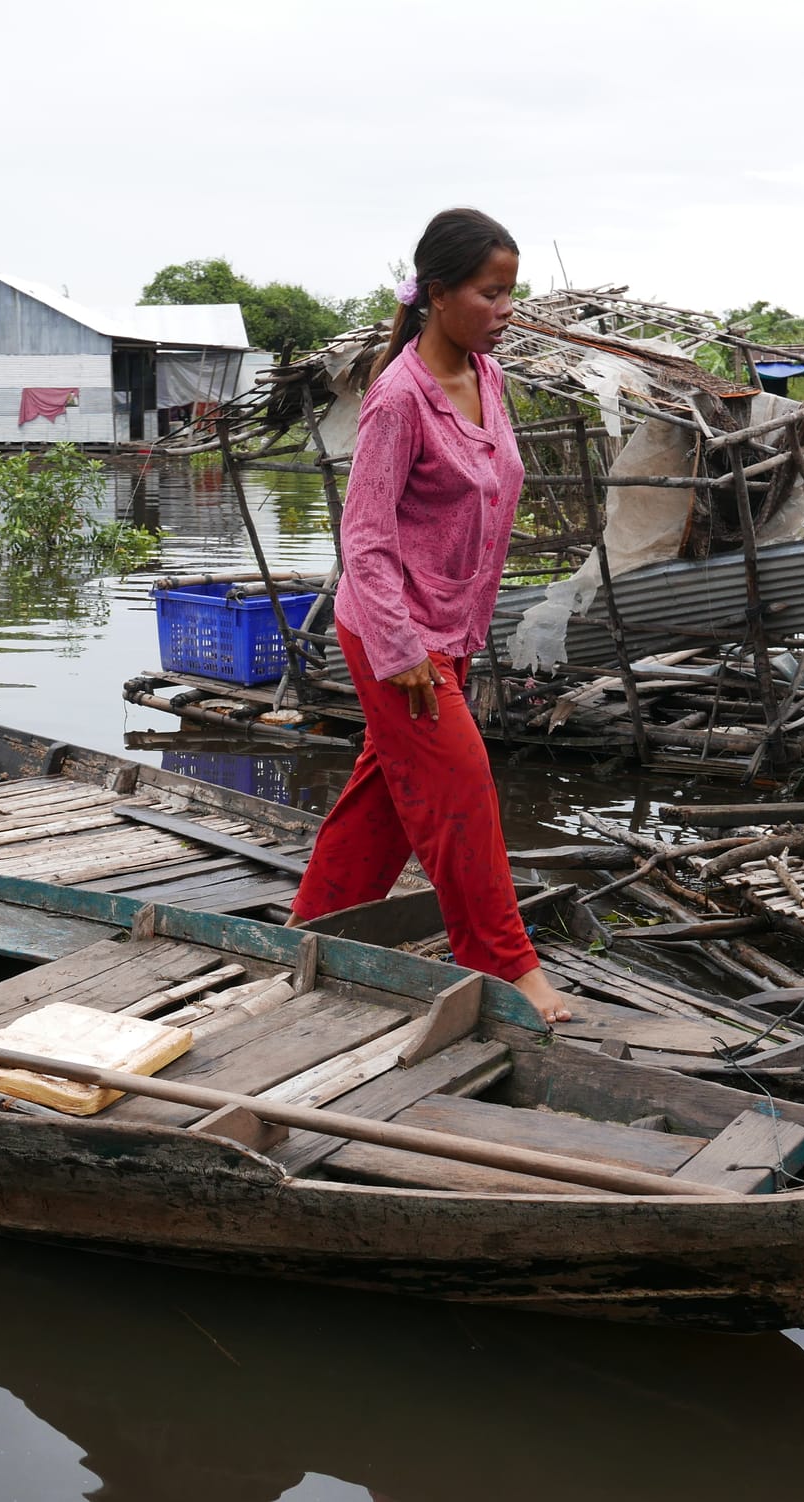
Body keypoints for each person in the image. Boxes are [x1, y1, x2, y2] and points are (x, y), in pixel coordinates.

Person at [290, 207, 573, 1024]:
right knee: (465, 791)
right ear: (440, 295)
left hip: (448, 631)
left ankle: (312, 926)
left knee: (382, 797)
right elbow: (365, 536)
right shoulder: (398, 398)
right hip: (395, 638)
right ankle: (506, 966)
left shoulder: (487, 378)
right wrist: (402, 646)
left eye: (512, 294)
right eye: (493, 294)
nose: (507, 311)